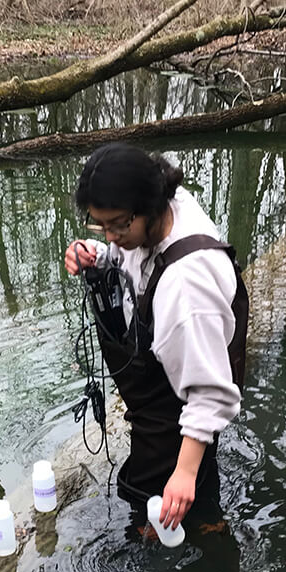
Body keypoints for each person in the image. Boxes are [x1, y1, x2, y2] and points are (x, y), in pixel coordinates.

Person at [63, 142, 248, 531]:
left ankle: (209, 532)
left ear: (148, 207)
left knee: (167, 507)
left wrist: (182, 475)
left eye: (117, 225)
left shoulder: (186, 287)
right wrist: (97, 255)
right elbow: (133, 260)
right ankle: (204, 516)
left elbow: (212, 393)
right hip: (161, 399)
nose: (111, 235)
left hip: (180, 407)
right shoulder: (161, 205)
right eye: (100, 225)